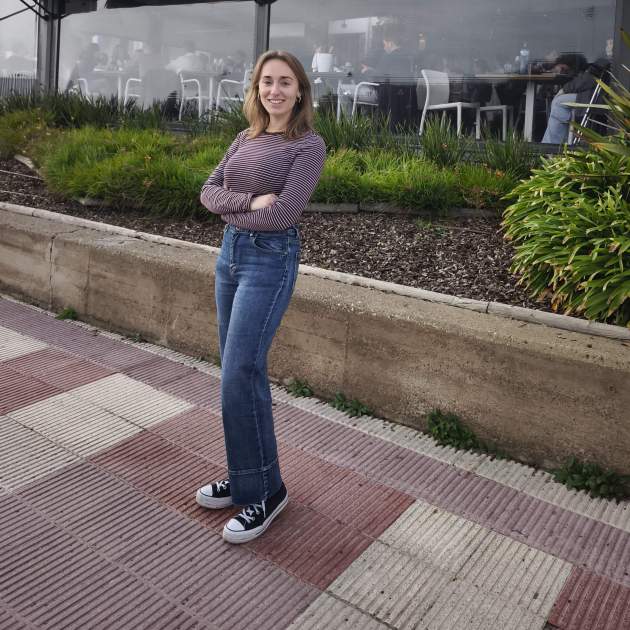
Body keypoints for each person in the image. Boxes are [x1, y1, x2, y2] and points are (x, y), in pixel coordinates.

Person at [196, 50, 326, 544]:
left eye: (285, 82)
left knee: (240, 372)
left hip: (269, 261)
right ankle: (247, 477)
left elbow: (283, 215)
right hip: (229, 255)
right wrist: (248, 202)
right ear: (256, 89)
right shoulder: (243, 138)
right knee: (235, 373)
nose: (275, 90)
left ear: (300, 91)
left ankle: (268, 492)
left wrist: (235, 211)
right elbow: (208, 193)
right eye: (267, 81)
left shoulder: (308, 146)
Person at [542, 56, 611, 144]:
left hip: (598, 99)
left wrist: (564, 89)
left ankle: (553, 144)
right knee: (559, 101)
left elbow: (588, 79)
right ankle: (553, 142)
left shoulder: (603, 60)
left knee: (558, 102)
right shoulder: (605, 58)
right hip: (597, 97)